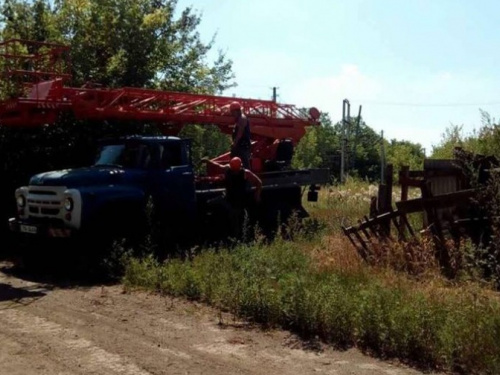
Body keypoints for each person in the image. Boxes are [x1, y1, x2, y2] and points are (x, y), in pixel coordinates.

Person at [201, 156, 262, 239]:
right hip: (228, 197)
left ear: (240, 166)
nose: (234, 170)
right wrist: (208, 161)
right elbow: (218, 165)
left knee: (235, 219)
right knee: (209, 203)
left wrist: (257, 195)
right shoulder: (228, 169)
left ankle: (236, 238)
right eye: (232, 167)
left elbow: (258, 182)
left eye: (235, 168)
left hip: (238, 200)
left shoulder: (245, 172)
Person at [229, 101, 252, 169]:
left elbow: (240, 133)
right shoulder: (238, 119)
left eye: (232, 112)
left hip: (242, 145)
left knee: (244, 163)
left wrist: (234, 143)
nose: (232, 114)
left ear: (237, 111)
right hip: (240, 145)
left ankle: (247, 177)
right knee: (234, 161)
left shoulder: (242, 118)